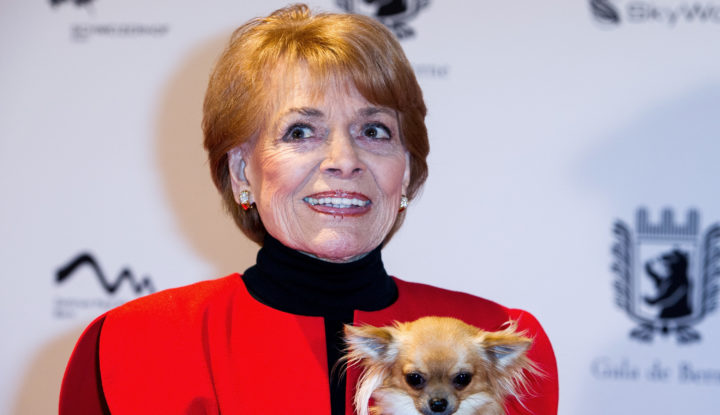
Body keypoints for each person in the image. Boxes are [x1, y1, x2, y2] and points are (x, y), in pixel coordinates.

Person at [59, 4, 559, 414]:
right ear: (241, 171)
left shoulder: (502, 344)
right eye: (301, 131)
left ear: (405, 171)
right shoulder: (131, 344)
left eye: (374, 130)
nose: (344, 160)